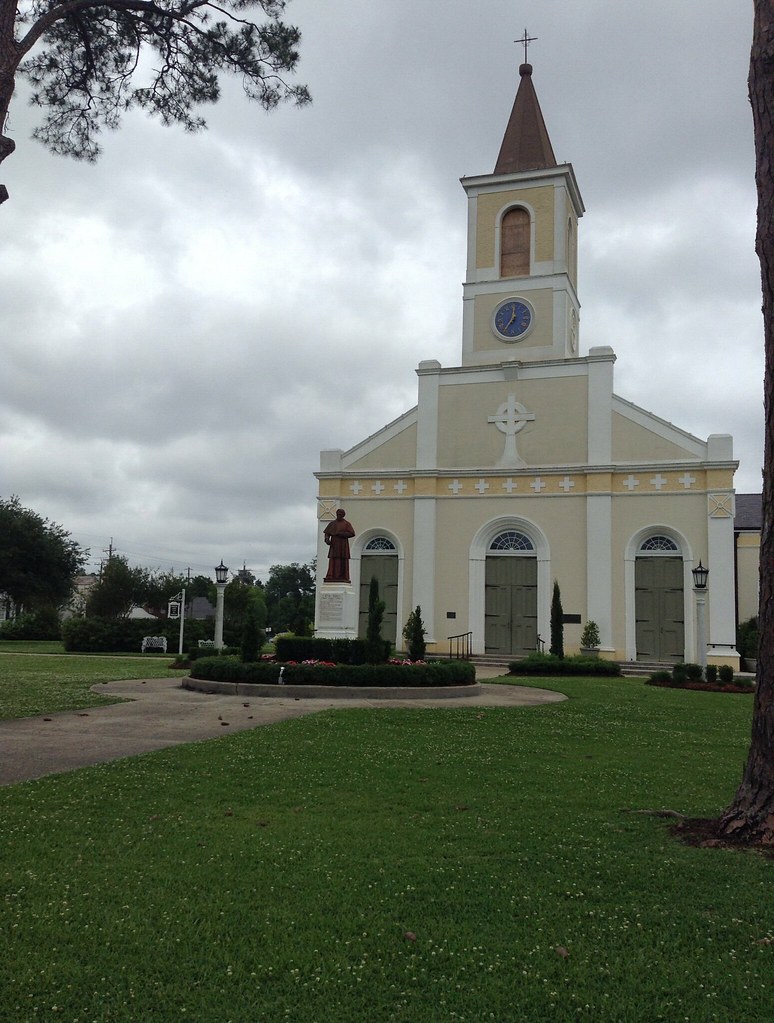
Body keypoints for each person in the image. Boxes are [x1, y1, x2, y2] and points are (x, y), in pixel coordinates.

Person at [323, 509, 356, 582]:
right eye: (337, 514)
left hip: (343, 544)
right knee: (333, 559)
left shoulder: (347, 524)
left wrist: (341, 534)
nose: (338, 516)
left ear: (343, 515)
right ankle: (331, 575)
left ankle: (343, 576)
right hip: (334, 544)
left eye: (340, 514)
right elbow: (327, 533)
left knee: (342, 559)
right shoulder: (332, 523)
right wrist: (327, 539)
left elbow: (352, 533)